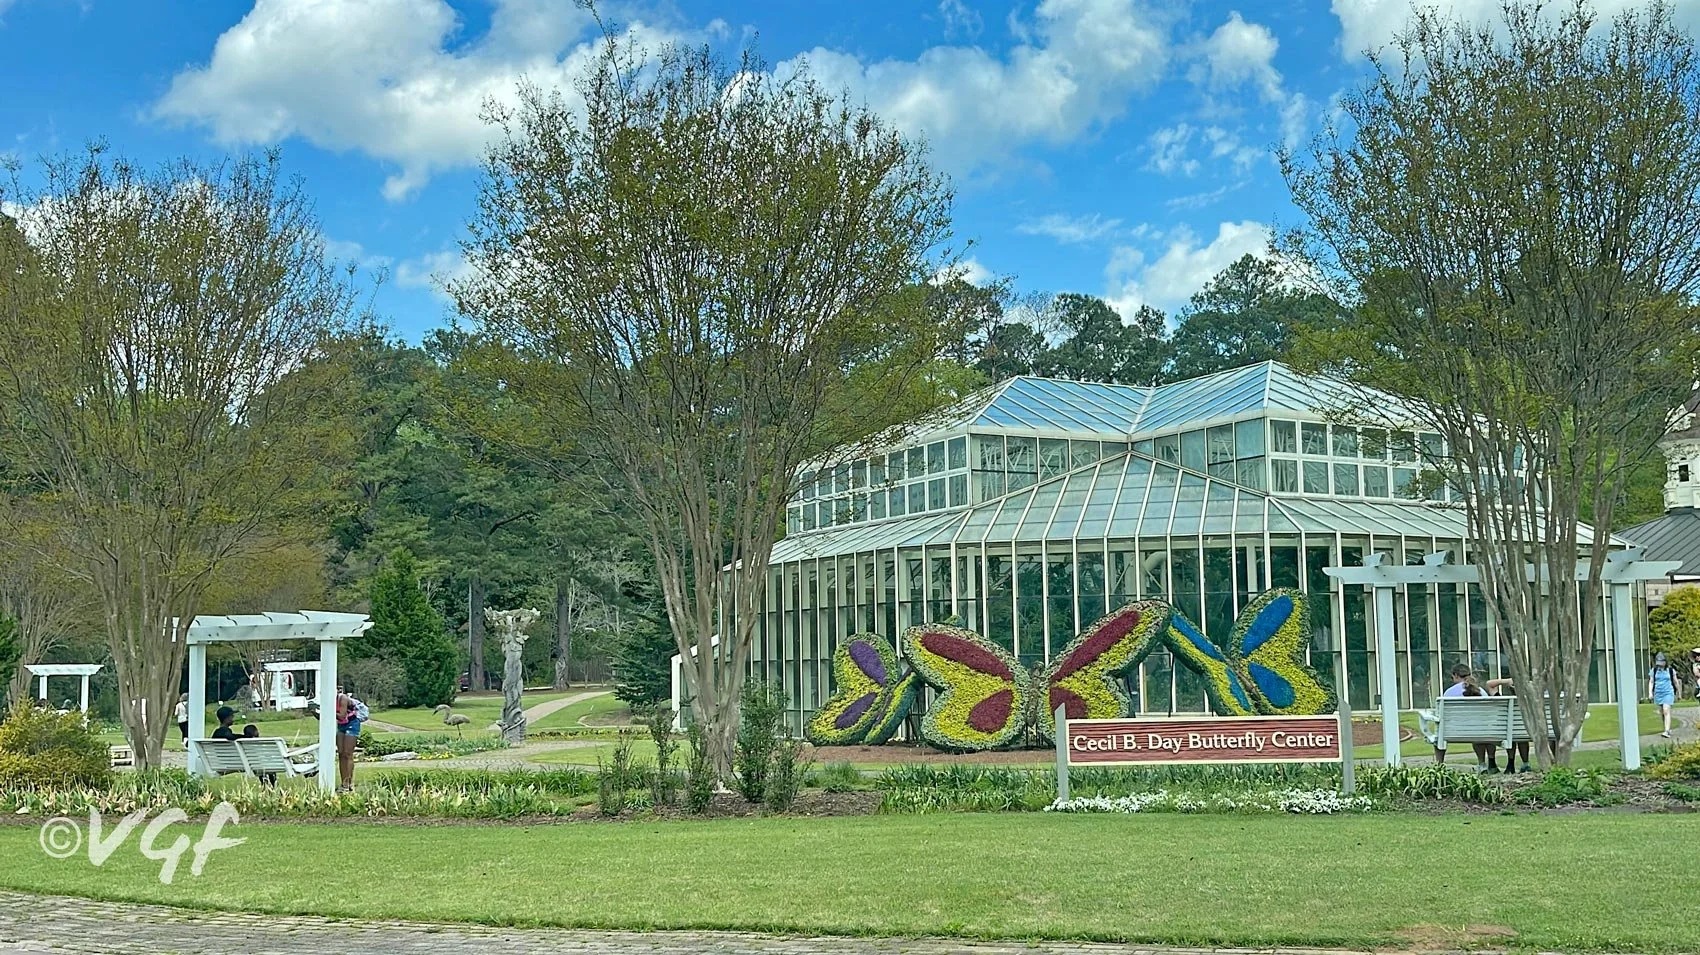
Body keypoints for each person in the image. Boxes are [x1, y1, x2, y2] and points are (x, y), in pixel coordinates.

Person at [1649, 652, 1679, 738]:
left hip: (1668, 692)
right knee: (1662, 712)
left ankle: (1667, 731)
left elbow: (1675, 681)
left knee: (1666, 710)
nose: (1660, 665)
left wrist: (1678, 692)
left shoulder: (1670, 670)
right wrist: (1650, 693)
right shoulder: (1654, 670)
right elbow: (1651, 682)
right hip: (1658, 693)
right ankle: (1666, 728)